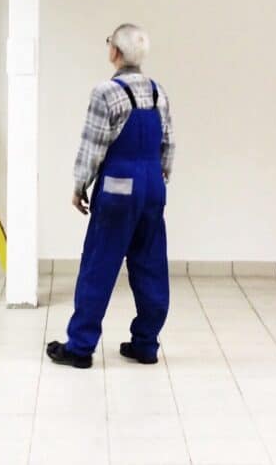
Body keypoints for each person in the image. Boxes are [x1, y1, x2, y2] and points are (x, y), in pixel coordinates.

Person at [47, 24, 175, 368]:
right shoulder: (158, 92)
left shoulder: (106, 92)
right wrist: (160, 176)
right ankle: (146, 344)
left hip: (119, 186)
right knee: (150, 266)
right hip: (152, 185)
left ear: (115, 53)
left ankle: (80, 347)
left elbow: (93, 145)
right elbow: (168, 143)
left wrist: (79, 186)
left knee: (99, 266)